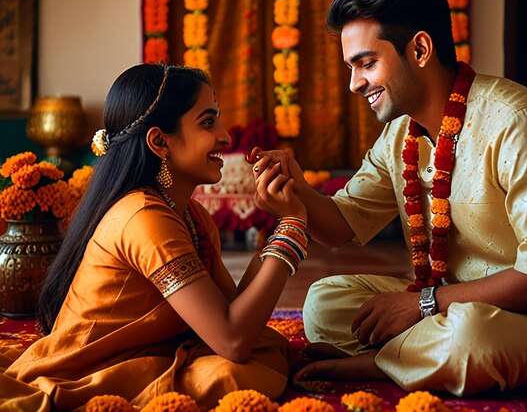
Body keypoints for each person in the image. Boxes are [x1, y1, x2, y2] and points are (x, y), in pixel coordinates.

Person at [251, 0, 527, 397]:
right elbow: (341, 225)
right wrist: (295, 192)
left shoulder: (518, 124)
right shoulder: (400, 134)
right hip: (445, 306)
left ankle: (377, 363)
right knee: (324, 302)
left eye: (366, 63)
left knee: (470, 340)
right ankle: (416, 357)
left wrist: (423, 304)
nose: (355, 84)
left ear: (420, 48)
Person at [0, 63, 309, 410]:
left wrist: (282, 223)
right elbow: (232, 340)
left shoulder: (193, 216)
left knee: (262, 348)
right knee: (235, 372)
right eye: (208, 122)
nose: (226, 136)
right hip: (94, 371)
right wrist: (293, 226)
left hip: (153, 354)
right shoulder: (144, 217)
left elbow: (234, 312)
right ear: (160, 141)